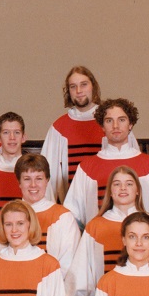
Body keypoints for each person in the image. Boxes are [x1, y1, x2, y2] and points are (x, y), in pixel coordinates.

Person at [68, 166, 149, 296]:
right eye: (117, 184)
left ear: (137, 191)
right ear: (110, 191)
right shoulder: (95, 226)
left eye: (129, 184)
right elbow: (80, 279)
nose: (123, 188)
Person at [65, 98, 149, 231]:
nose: (115, 126)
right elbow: (74, 215)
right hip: (100, 240)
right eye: (109, 120)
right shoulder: (87, 167)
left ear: (130, 124)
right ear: (102, 126)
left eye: (121, 120)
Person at [40, 66, 104, 203]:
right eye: (73, 87)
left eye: (84, 84)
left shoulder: (110, 122)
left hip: (107, 205)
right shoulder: (58, 128)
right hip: (71, 206)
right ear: (68, 92)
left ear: (93, 86)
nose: (79, 91)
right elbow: (47, 177)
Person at [13, 154, 79, 272]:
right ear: (19, 182)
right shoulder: (5, 218)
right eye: (27, 179)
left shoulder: (63, 217)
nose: (33, 185)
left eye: (39, 178)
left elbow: (68, 265)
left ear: (47, 181)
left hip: (52, 287)